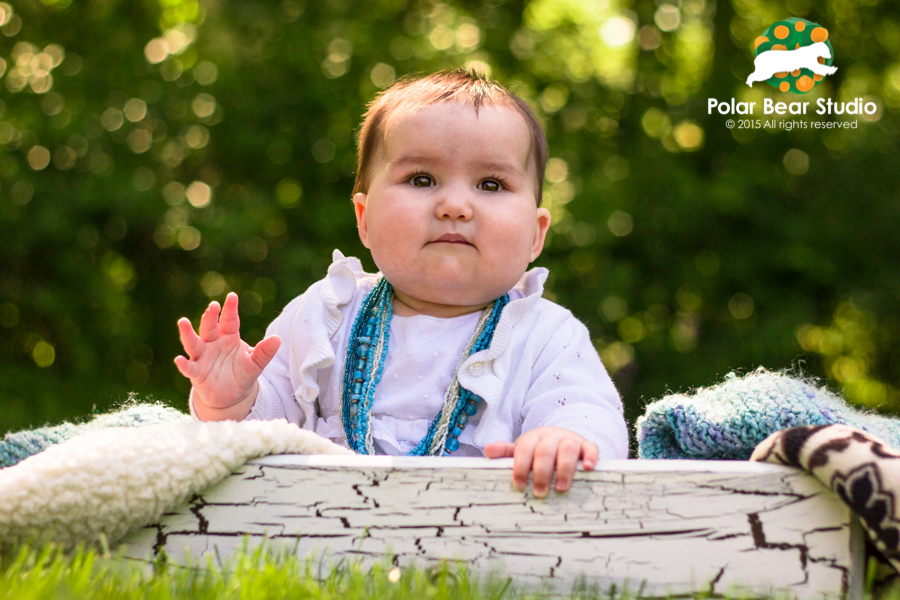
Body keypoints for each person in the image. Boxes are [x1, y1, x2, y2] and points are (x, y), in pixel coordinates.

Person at [175, 69, 628, 498]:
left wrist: (563, 438)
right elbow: (262, 430)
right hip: (324, 530)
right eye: (422, 179)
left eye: (490, 184)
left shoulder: (544, 334)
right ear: (365, 219)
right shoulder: (326, 313)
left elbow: (588, 411)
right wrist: (230, 398)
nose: (455, 205)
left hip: (488, 538)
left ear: (535, 233)